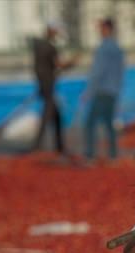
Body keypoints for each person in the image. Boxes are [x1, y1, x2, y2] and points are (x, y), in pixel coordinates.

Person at [83, 17, 125, 162]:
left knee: (90, 123)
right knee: (109, 124)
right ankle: (113, 156)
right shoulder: (117, 48)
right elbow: (120, 72)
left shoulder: (103, 48)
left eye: (101, 28)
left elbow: (97, 72)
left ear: (107, 29)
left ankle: (90, 156)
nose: (99, 31)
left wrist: (88, 92)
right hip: (112, 91)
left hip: (102, 91)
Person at [31, 20, 76, 155]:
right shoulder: (50, 47)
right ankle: (37, 145)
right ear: (52, 31)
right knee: (48, 114)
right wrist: (72, 63)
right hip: (48, 84)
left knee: (56, 115)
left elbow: (41, 67)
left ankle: (59, 145)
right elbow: (59, 65)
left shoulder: (39, 46)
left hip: (44, 83)